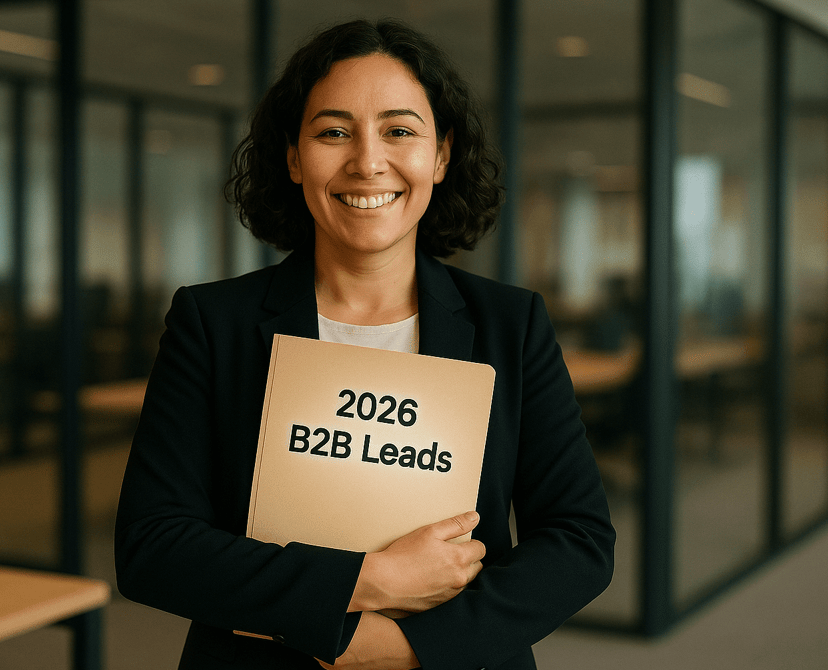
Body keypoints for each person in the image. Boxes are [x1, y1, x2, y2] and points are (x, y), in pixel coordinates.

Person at [115, 18, 614, 670]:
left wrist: (408, 647)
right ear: (294, 157)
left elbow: (578, 541)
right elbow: (154, 546)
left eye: (400, 131)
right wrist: (363, 583)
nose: (367, 161)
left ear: (440, 155)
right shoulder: (214, 321)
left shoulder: (510, 324)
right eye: (332, 132)